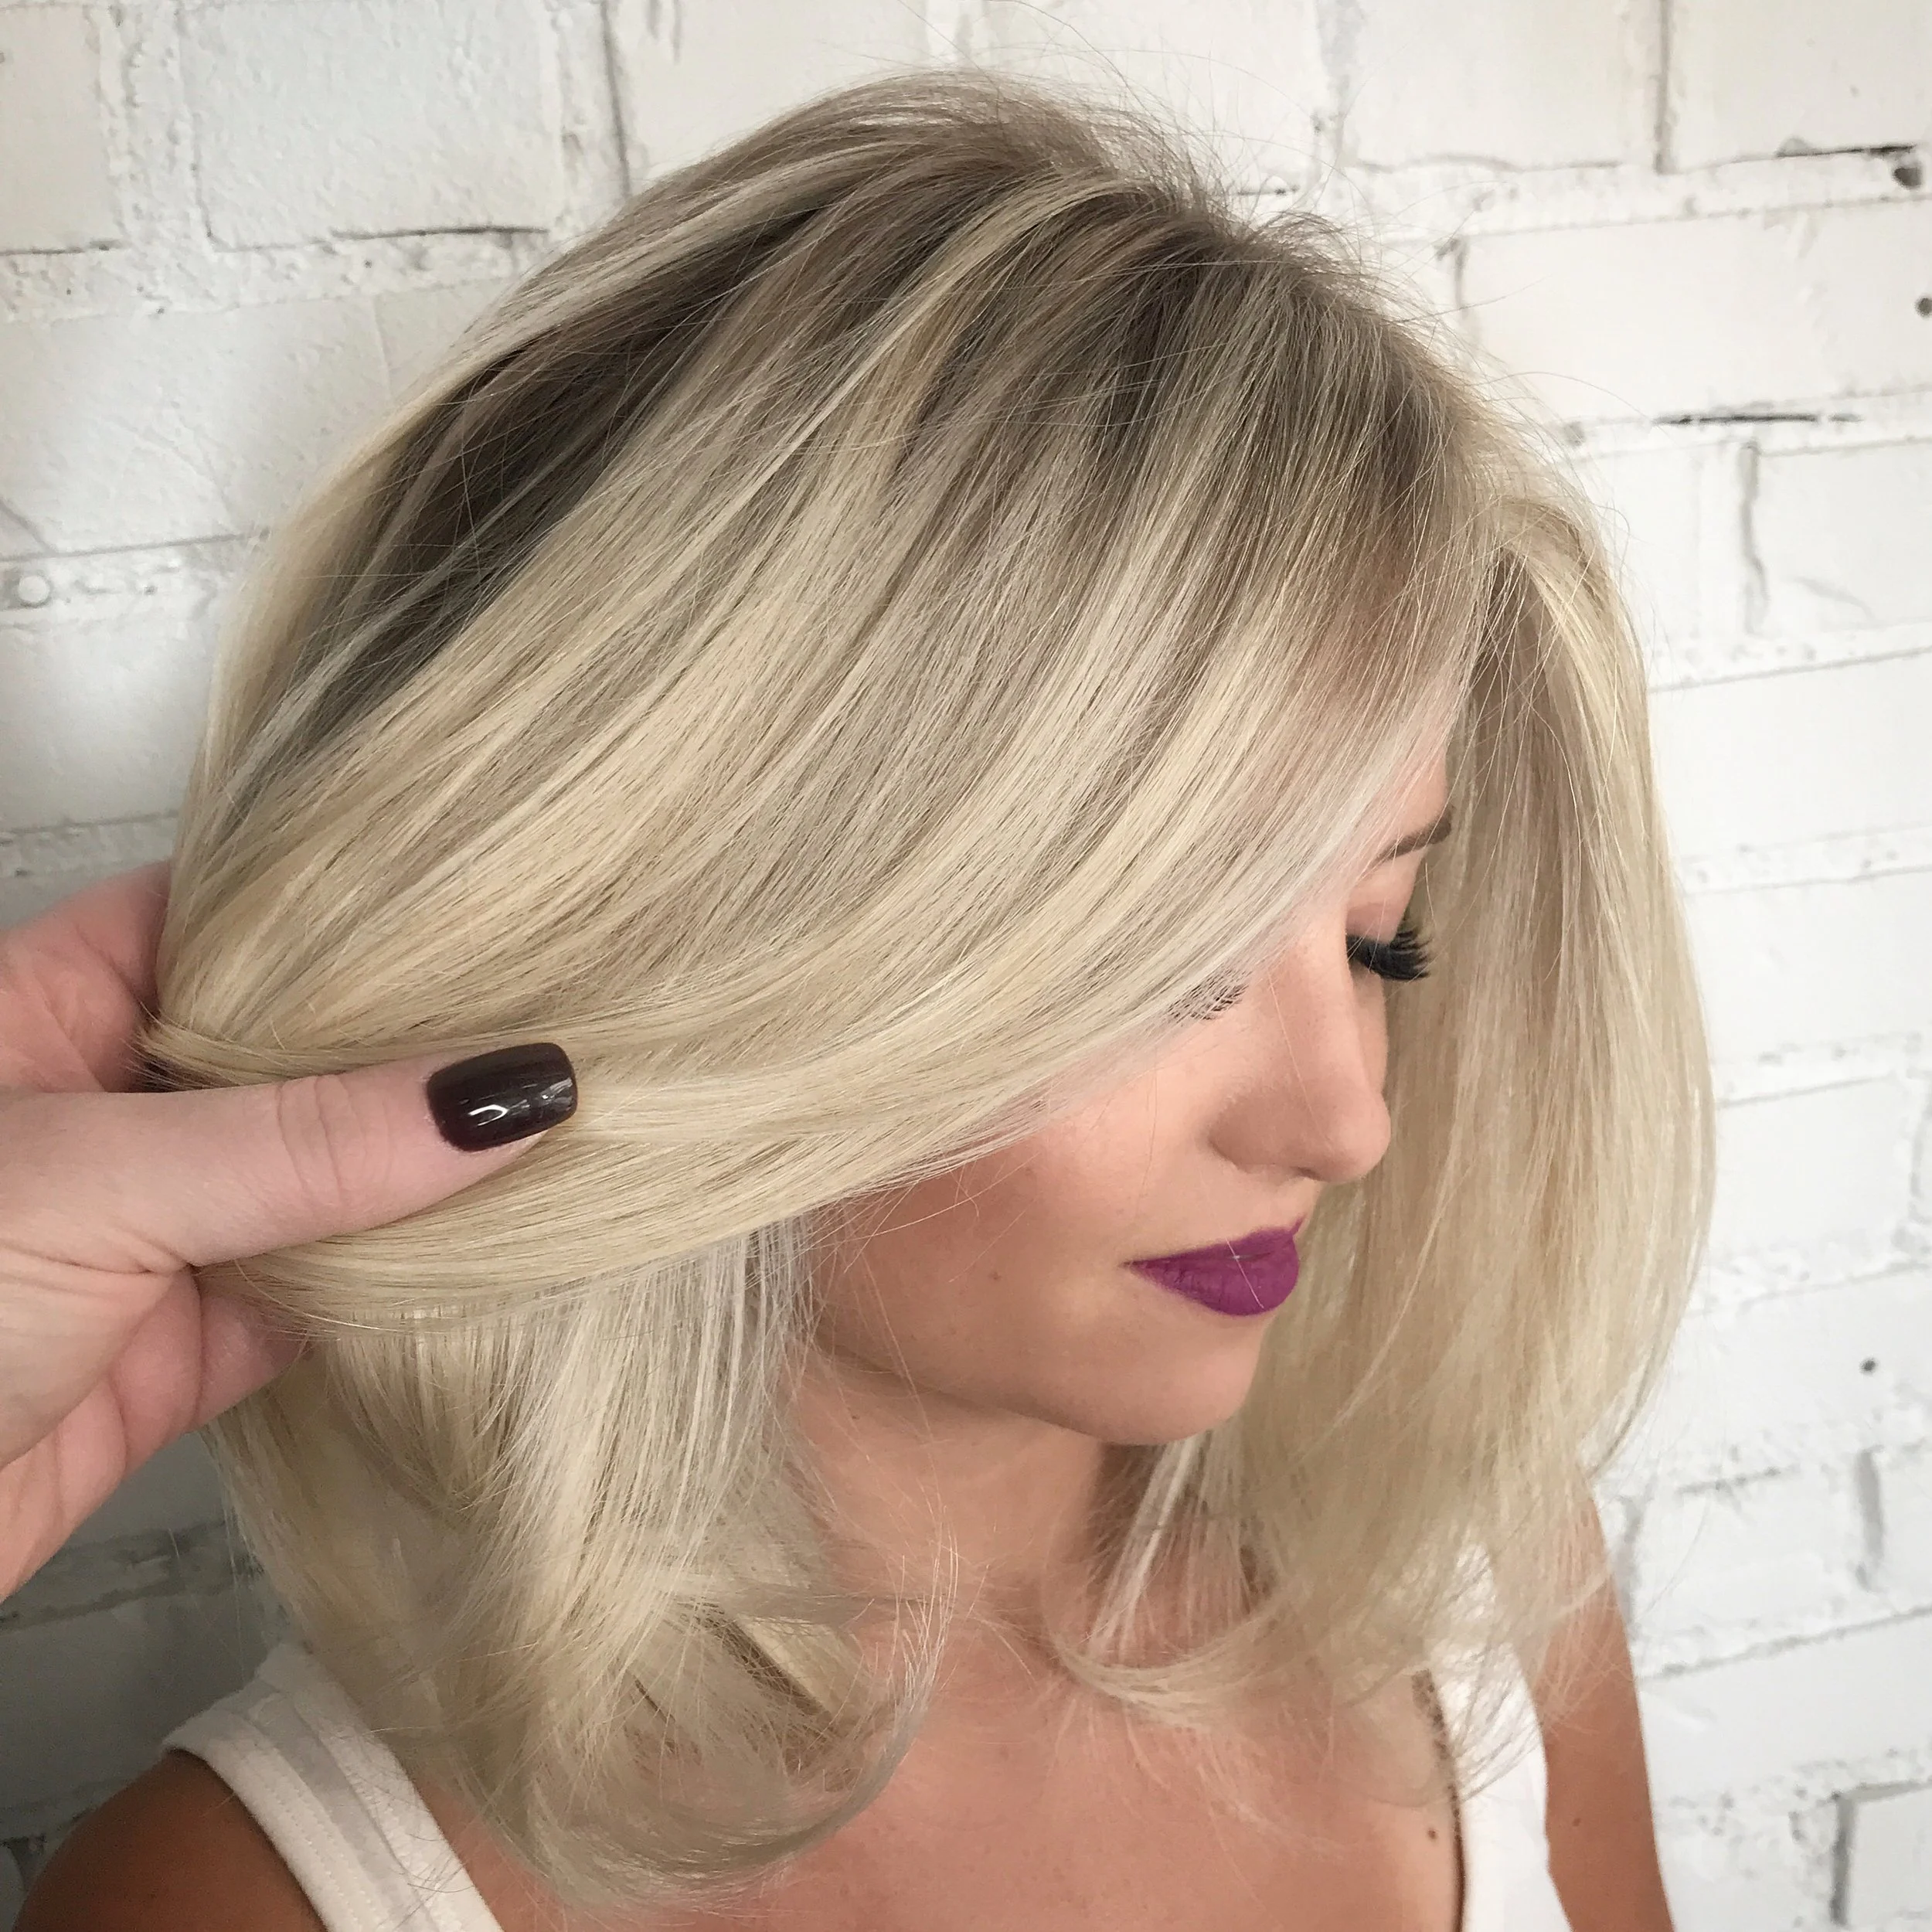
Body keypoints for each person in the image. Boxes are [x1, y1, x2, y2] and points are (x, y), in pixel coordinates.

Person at [17, 65, 1709, 1932]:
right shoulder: (249, 1899)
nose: (1343, 1116)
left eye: (1378, 938)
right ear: (726, 940)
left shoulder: (1466, 1586)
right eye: (1164, 959)